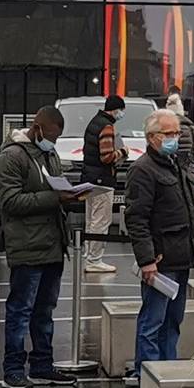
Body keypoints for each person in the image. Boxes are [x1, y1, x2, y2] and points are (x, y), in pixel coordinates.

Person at [0, 107, 84, 388]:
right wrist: (54, 198)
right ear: (38, 128)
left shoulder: (49, 155)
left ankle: (42, 365)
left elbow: (52, 192)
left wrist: (70, 196)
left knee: (45, 309)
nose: (53, 142)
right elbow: (11, 202)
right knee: (21, 310)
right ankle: (13, 370)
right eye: (52, 136)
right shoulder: (11, 157)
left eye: (58, 137)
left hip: (53, 244)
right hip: (26, 246)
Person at [124, 109, 194, 375]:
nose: (175, 137)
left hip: (181, 256)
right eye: (169, 133)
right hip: (160, 261)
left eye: (177, 132)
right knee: (153, 321)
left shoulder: (177, 164)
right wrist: (147, 260)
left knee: (173, 320)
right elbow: (137, 219)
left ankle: (167, 370)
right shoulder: (143, 170)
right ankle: (146, 373)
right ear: (152, 137)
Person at [78, 95, 126, 273]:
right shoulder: (106, 127)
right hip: (103, 180)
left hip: (89, 178)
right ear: (115, 109)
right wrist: (122, 152)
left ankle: (88, 254)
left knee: (91, 219)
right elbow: (106, 156)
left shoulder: (94, 122)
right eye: (121, 110)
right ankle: (94, 259)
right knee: (101, 220)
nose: (122, 114)